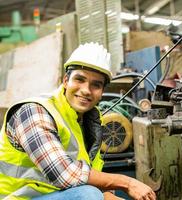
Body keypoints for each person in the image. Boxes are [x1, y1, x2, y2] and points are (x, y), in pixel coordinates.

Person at [0, 43, 156, 200]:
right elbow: (62, 173)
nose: (86, 90)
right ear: (66, 80)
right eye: (80, 79)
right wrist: (127, 183)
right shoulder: (34, 112)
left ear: (102, 92)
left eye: (96, 85)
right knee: (89, 195)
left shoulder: (87, 121)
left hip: (53, 195)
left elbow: (82, 179)